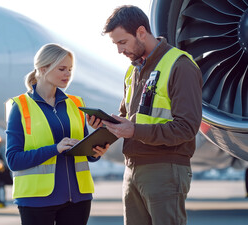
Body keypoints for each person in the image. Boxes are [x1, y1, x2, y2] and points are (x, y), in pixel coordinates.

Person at [86, 5, 203, 225]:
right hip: (132, 169)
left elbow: (187, 128)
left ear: (141, 32)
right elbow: (126, 119)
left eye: (122, 42)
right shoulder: (133, 71)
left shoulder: (181, 66)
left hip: (165, 169)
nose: (120, 50)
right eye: (116, 44)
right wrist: (104, 126)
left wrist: (134, 130)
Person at [5, 43, 109, 225]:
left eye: (70, 69)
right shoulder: (20, 107)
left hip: (78, 199)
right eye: (62, 69)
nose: (68, 74)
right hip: (36, 200)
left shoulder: (76, 104)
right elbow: (13, 160)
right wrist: (55, 149)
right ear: (43, 68)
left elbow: (83, 152)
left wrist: (95, 152)